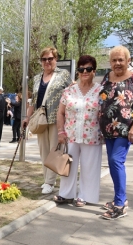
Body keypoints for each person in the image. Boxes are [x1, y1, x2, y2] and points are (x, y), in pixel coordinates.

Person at [99, 45, 133, 220]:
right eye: (114, 60)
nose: (117, 63)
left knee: (116, 161)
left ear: (128, 61)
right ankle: (118, 199)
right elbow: (100, 98)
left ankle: (120, 205)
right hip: (108, 129)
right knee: (114, 163)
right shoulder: (107, 77)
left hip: (126, 129)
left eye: (121, 59)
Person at [53, 55, 103, 207]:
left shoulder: (101, 91)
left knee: (90, 167)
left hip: (92, 135)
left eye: (88, 69)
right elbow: (60, 113)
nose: (84, 72)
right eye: (81, 69)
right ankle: (66, 194)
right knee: (68, 165)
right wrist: (60, 132)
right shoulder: (69, 90)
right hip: (71, 135)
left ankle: (86, 196)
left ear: (94, 71)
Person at [22, 47, 72, 194]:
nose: (47, 62)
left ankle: (50, 182)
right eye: (44, 59)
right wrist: (27, 117)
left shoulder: (63, 74)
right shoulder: (37, 78)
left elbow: (71, 93)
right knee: (43, 150)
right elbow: (33, 101)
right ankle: (46, 180)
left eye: (50, 58)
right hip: (41, 118)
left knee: (55, 151)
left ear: (56, 59)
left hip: (57, 119)